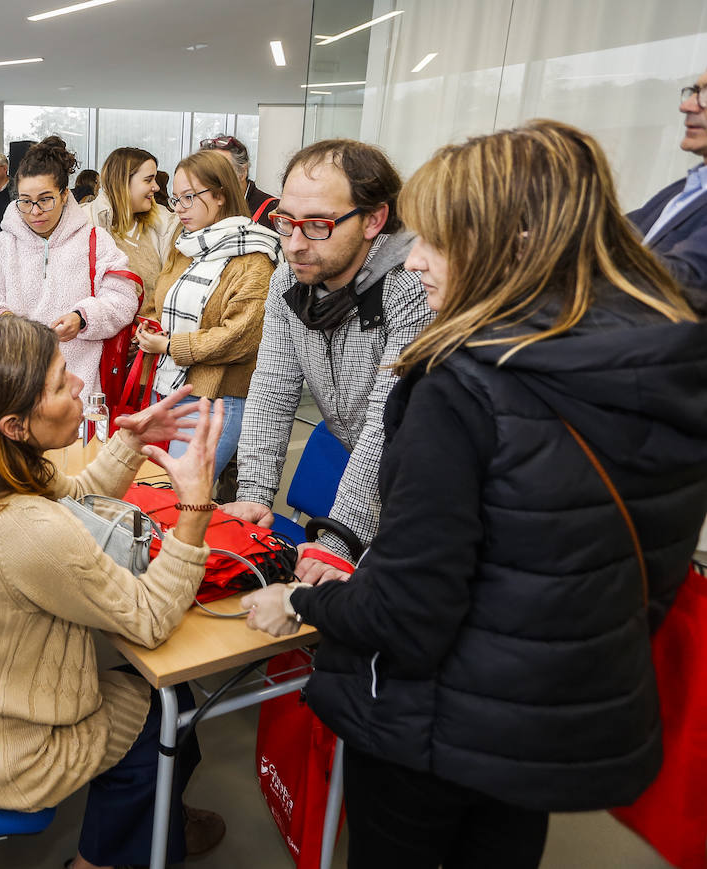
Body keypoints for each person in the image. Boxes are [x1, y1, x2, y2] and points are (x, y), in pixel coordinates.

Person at [241, 119, 707, 869]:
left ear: (511, 246)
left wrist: (301, 600)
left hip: (435, 726)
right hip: (545, 718)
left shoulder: (465, 386)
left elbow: (406, 613)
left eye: (441, 240)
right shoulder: (653, 372)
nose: (417, 262)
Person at [0, 315, 228, 869]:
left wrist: (132, 440)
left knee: (164, 699)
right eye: (58, 383)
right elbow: (148, 618)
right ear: (14, 424)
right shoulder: (26, 531)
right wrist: (194, 510)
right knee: (164, 711)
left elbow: (72, 494)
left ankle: (157, 818)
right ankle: (103, 858)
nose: (78, 384)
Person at [223, 139, 432, 576]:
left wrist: (339, 541)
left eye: (317, 225)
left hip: (428, 491)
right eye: (286, 222)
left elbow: (387, 425)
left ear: (374, 219)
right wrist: (254, 496)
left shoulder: (411, 285)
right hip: (370, 468)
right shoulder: (290, 276)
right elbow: (272, 390)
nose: (295, 244)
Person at [134, 150, 278, 478]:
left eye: (189, 197)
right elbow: (161, 301)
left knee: (183, 498)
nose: (180, 208)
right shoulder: (187, 246)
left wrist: (171, 346)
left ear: (220, 195)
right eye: (175, 199)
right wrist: (153, 327)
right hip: (168, 388)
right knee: (155, 493)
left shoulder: (255, 254)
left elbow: (241, 337)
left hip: (215, 399)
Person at [0, 136, 140, 401]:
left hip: (80, 388)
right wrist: (3, 319)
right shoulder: (2, 246)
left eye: (45, 200)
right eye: (25, 201)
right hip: (14, 387)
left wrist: (83, 318)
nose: (35, 211)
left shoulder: (95, 240)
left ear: (65, 194)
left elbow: (124, 299)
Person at [629, 66, 707, 314]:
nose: (687, 107)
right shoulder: (686, 187)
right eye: (694, 92)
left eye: (706, 95)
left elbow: (686, 276)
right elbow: (613, 232)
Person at [81, 146, 179, 297]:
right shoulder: (86, 222)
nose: (156, 187)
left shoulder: (162, 223)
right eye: (148, 180)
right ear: (123, 182)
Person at [199, 134, 278, 228]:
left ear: (243, 172)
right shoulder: (200, 207)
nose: (211, 179)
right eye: (206, 172)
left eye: (221, 170)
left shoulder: (272, 213)